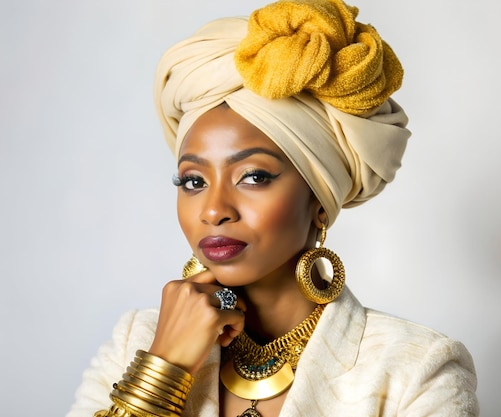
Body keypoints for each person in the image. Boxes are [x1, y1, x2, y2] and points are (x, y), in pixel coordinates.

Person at [67, 0, 479, 416]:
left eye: (253, 177)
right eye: (193, 181)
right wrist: (164, 368)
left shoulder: (415, 370)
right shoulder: (136, 341)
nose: (213, 210)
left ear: (319, 199)